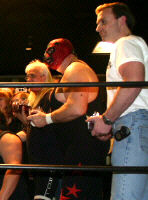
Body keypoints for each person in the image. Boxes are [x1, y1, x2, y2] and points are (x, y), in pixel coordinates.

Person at [27, 39, 109, 199]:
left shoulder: (76, 68)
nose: (46, 54)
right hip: (75, 150)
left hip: (83, 150)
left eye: (50, 49)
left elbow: (77, 108)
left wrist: (47, 118)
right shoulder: (69, 72)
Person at [87, 2, 148, 200]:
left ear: (122, 20)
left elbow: (134, 81)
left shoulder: (125, 43)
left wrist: (106, 120)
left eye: (103, 21)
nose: (98, 28)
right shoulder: (135, 44)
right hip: (138, 126)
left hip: (132, 124)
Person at [24, 60, 63, 200]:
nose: (28, 80)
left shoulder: (53, 96)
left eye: (32, 76)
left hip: (51, 162)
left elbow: (59, 124)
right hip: (40, 165)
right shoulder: (35, 100)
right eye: (27, 77)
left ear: (44, 77)